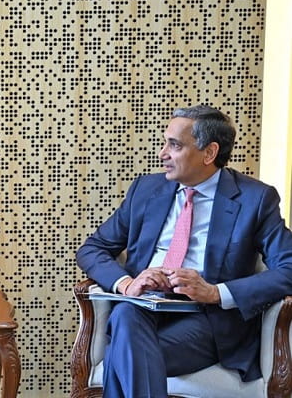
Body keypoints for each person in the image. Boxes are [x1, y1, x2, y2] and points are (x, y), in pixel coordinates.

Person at [76, 104, 292, 397]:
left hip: (207, 321)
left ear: (209, 153)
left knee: (123, 349)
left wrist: (215, 292)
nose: (162, 153)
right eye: (165, 143)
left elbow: (288, 268)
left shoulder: (255, 199)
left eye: (174, 145)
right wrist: (127, 284)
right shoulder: (145, 190)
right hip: (142, 309)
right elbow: (93, 248)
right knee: (126, 315)